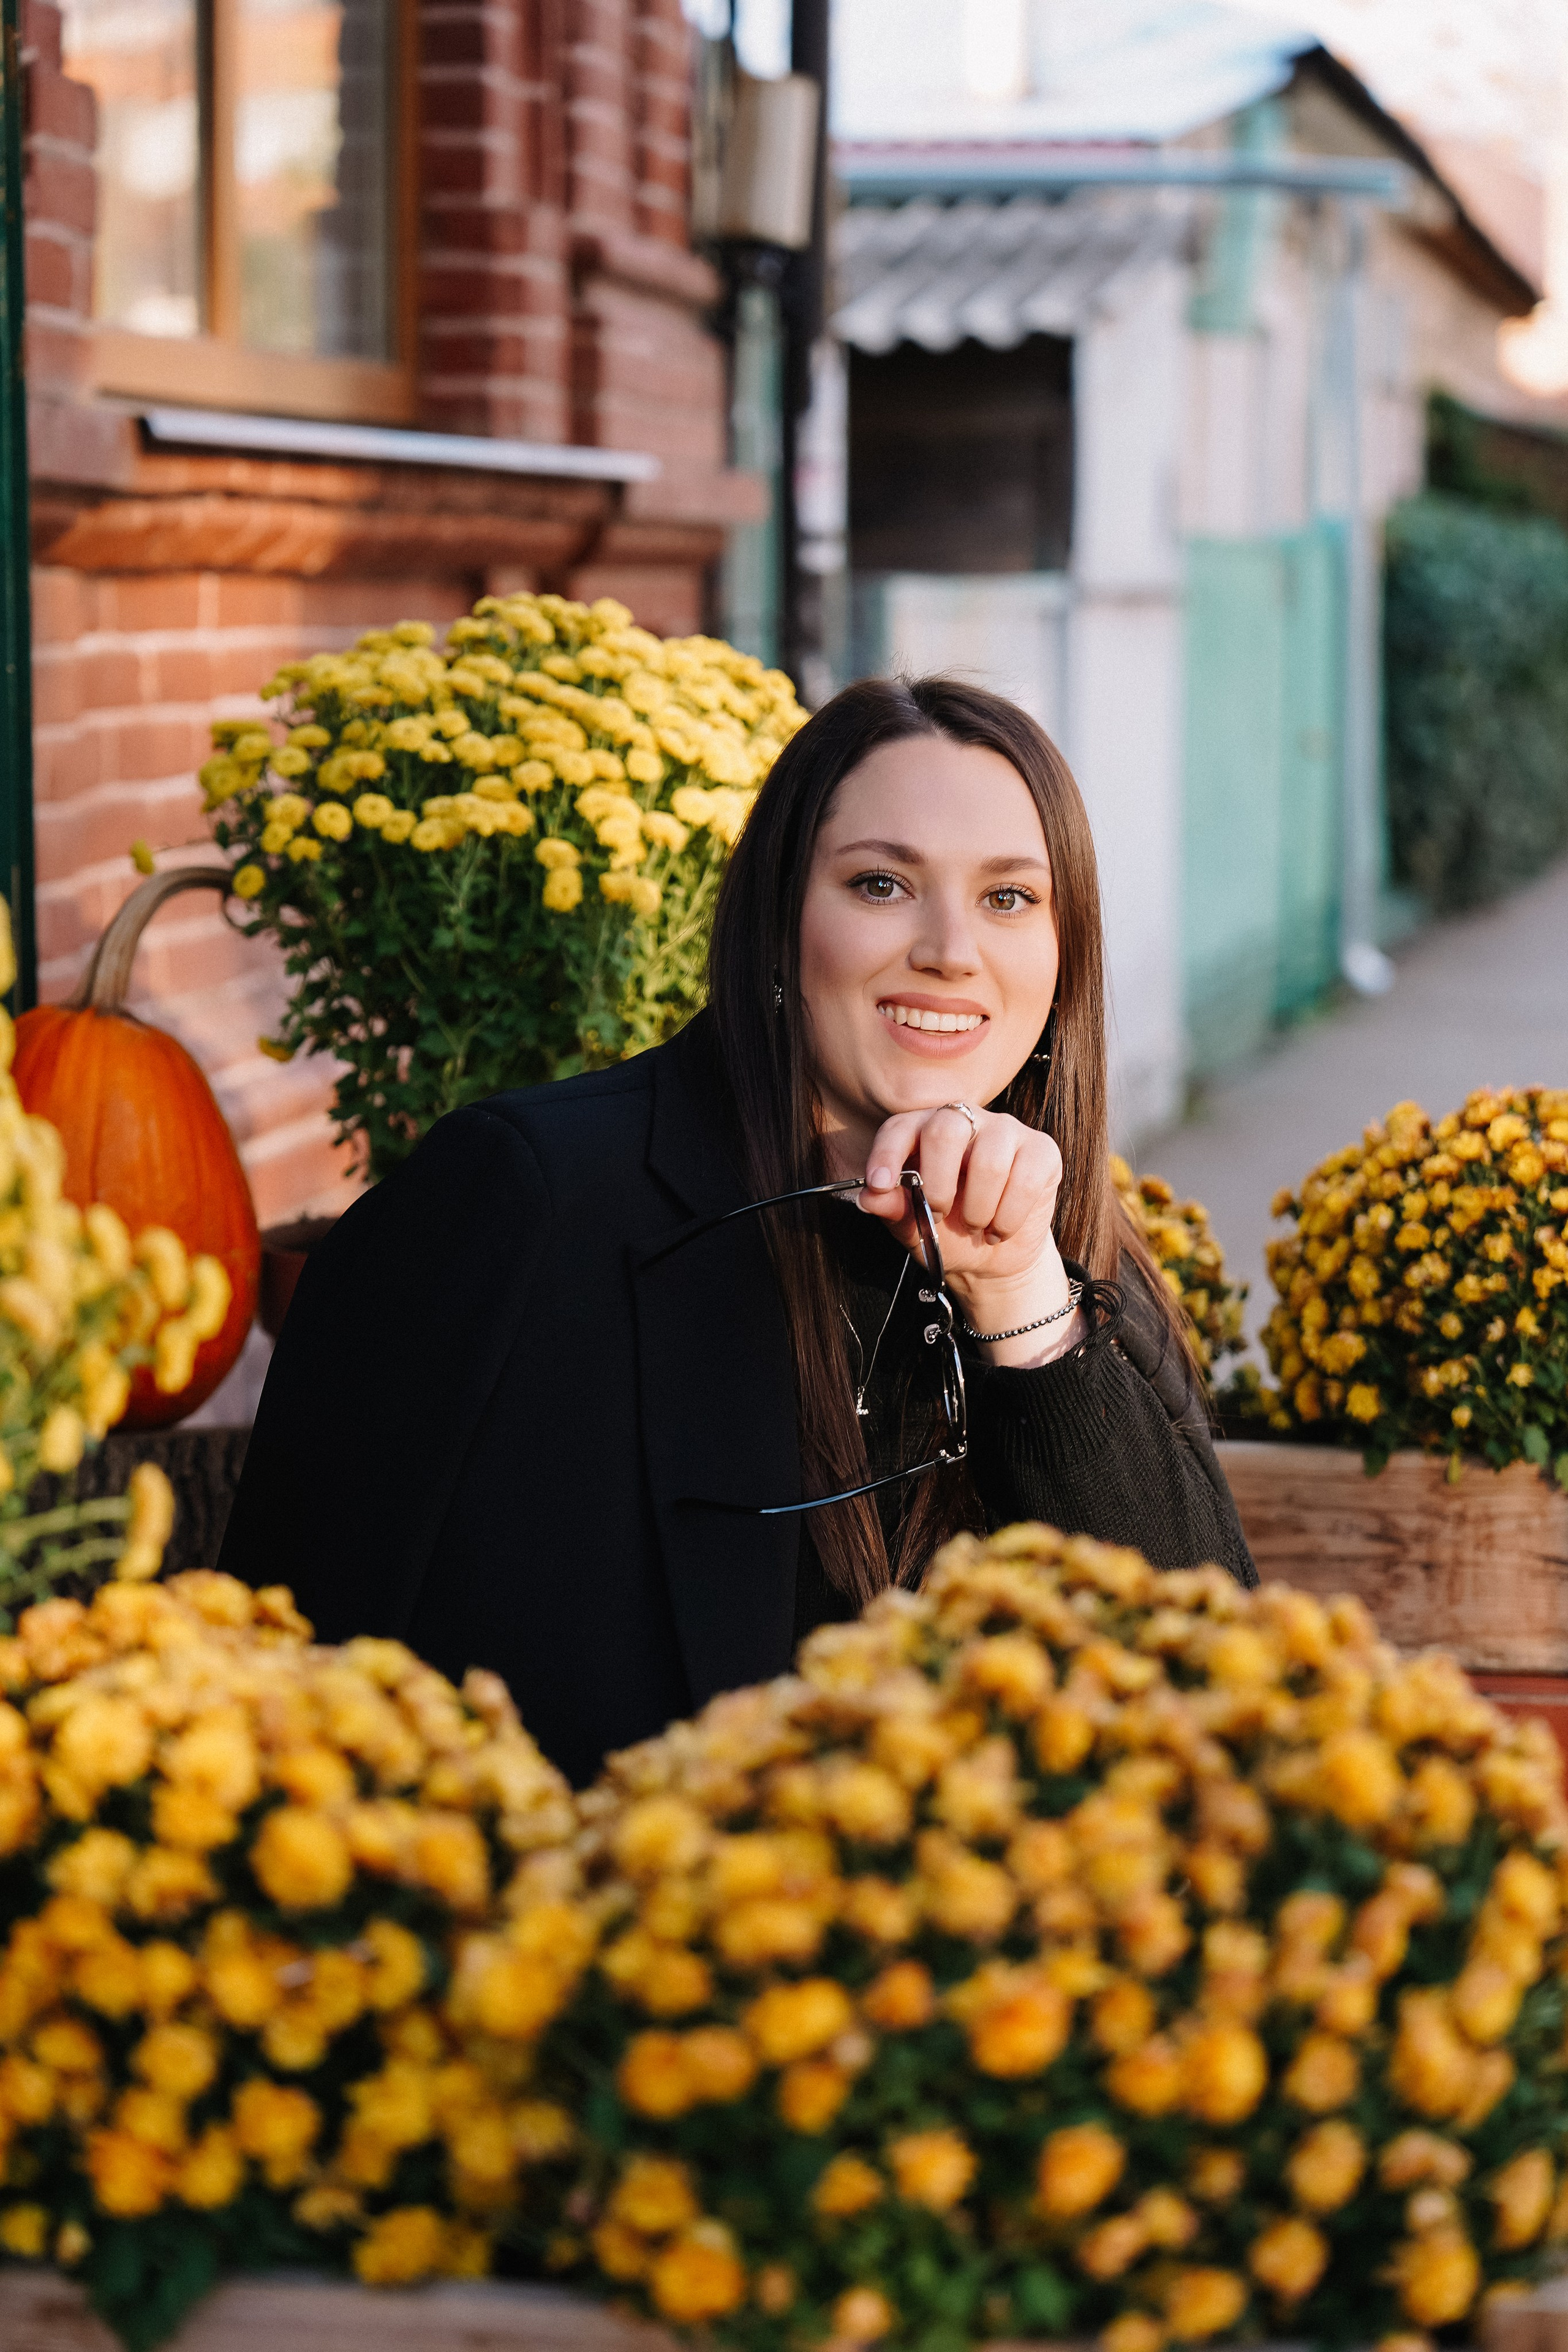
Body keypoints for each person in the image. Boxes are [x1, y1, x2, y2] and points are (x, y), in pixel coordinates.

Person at [220, 677, 1254, 1785]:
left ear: (1065, 960)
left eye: (1010, 899)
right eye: (882, 883)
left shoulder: (1078, 1265)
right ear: (779, 919)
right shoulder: (526, 1202)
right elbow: (282, 1680)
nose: (952, 950)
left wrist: (1021, 1305)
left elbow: (1217, 1712)